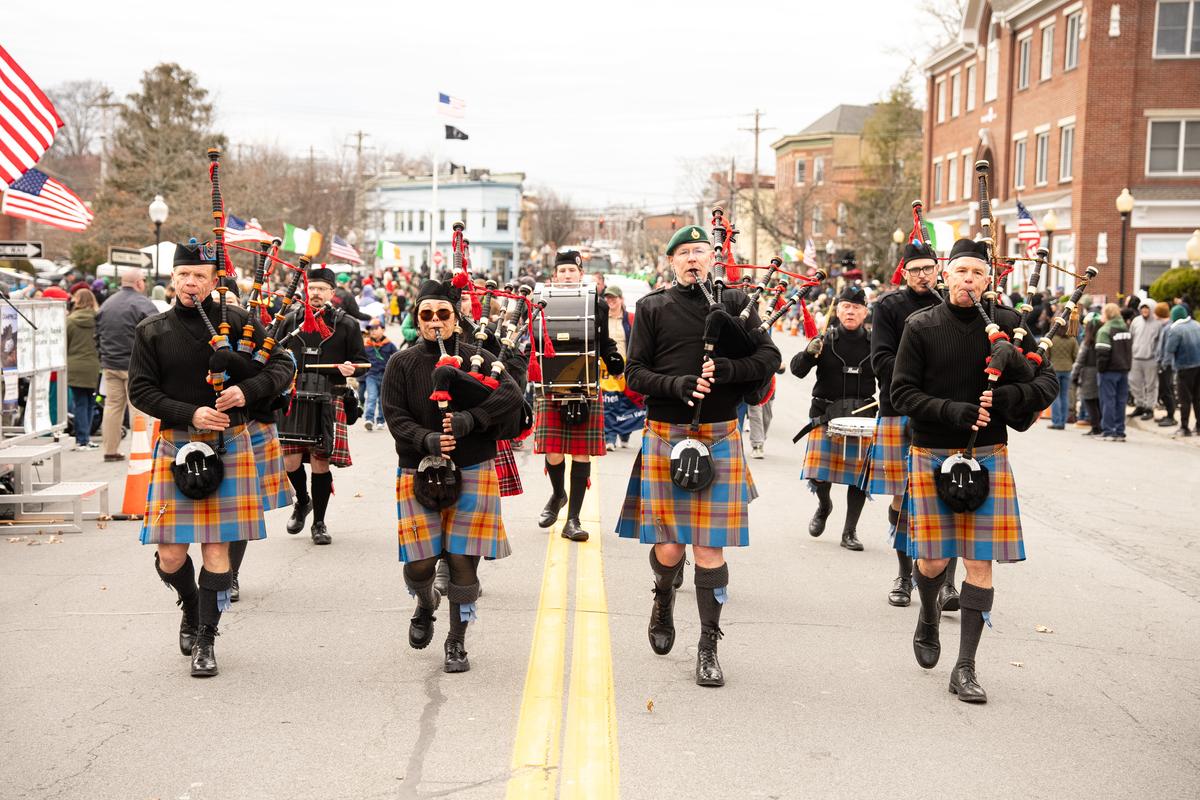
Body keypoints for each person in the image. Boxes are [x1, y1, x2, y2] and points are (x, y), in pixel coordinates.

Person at [891, 238, 1057, 703]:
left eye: (978, 273)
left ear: (989, 280)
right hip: (932, 452)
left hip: (988, 454)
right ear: (946, 275)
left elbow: (1046, 381)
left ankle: (965, 667)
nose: (968, 280)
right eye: (961, 271)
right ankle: (927, 612)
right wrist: (953, 412)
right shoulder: (920, 326)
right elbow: (901, 393)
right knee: (933, 561)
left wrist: (1009, 398)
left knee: (979, 562)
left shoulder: (1010, 326)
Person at [616, 224, 781, 687]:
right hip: (667, 431)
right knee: (669, 548)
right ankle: (664, 596)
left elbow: (768, 358)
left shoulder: (735, 305)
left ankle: (708, 645)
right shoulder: (651, 307)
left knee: (709, 549)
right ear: (671, 262)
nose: (693, 259)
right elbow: (634, 372)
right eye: (684, 253)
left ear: (714, 258)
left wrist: (728, 370)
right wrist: (678, 384)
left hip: (720, 431)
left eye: (700, 252)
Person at [128, 241, 294, 677]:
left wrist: (248, 390)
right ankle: (189, 604)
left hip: (229, 442)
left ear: (214, 282)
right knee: (170, 554)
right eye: (183, 275)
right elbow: (140, 391)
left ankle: (206, 638)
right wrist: (189, 411)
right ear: (172, 280)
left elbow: (282, 367)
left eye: (199, 276)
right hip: (177, 443)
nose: (190, 283)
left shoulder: (238, 321)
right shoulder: (152, 330)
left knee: (217, 549)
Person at [381, 278, 524, 673]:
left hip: (474, 465)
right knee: (421, 564)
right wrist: (427, 439)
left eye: (443, 314)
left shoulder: (479, 358)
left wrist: (470, 419)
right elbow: (395, 416)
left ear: (456, 320)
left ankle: (456, 641)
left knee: (463, 562)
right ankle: (426, 603)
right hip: (419, 468)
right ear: (417, 320)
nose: (435, 322)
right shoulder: (401, 363)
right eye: (426, 315)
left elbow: (511, 396)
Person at [865, 241, 944, 607]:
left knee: (949, 498)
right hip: (900, 408)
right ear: (904, 272)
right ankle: (904, 574)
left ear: (938, 269)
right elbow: (880, 358)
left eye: (928, 268)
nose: (923, 275)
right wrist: (918, 382)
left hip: (943, 411)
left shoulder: (949, 304)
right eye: (916, 270)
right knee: (903, 496)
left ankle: (946, 582)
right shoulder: (888, 307)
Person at [533, 250, 624, 542]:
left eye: (572, 270)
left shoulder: (595, 302)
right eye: (562, 271)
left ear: (581, 274)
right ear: (555, 275)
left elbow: (604, 339)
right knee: (553, 450)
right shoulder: (542, 301)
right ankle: (558, 494)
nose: (567, 275)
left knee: (581, 452)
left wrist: (612, 358)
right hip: (552, 383)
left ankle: (573, 519)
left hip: (585, 384)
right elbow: (533, 338)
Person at [281, 266, 368, 544]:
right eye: (312, 288)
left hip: (330, 397)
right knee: (290, 461)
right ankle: (302, 501)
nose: (316, 293)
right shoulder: (290, 320)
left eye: (321, 289)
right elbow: (275, 353)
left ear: (332, 292)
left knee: (320, 461)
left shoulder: (347, 324)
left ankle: (319, 523)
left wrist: (350, 369)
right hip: (294, 396)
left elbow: (361, 364)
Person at [792, 285, 875, 552]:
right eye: (846, 307)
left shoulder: (876, 344)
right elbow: (797, 371)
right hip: (824, 416)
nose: (851, 312)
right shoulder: (824, 340)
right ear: (838, 310)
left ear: (865, 312)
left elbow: (892, 378)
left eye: (856, 308)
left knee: (859, 479)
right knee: (818, 475)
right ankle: (824, 504)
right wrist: (807, 353)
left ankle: (850, 531)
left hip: (863, 418)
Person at [94, 268, 158, 462]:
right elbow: (157, 334)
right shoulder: (143, 304)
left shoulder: (107, 304)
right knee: (138, 407)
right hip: (135, 365)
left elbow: (97, 335)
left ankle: (110, 450)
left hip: (110, 363)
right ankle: (140, 450)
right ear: (139, 282)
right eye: (144, 281)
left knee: (112, 407)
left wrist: (103, 357)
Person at [600, 285, 644, 451]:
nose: (610, 301)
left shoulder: (630, 319)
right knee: (609, 402)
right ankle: (609, 437)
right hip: (605, 367)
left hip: (626, 365)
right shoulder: (601, 317)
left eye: (614, 298)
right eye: (608, 298)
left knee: (626, 401)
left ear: (621, 300)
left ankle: (624, 434)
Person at [66, 288, 101, 450]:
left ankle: (82, 439)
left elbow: (65, 343)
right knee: (90, 403)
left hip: (75, 366)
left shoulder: (70, 320)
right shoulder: (99, 320)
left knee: (79, 403)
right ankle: (86, 437)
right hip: (94, 366)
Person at [1096, 303, 1133, 442]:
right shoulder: (1125, 328)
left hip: (1109, 371)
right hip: (1124, 369)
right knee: (1121, 401)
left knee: (1108, 401)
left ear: (1108, 314)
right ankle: (1119, 431)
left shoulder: (1105, 330)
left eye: (1103, 312)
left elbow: (1102, 353)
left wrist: (1101, 370)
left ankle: (1108, 431)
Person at [1162, 304, 1200, 437]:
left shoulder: (1176, 330)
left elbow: (1169, 350)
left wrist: (1164, 365)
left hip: (1184, 368)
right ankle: (1199, 426)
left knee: (1185, 399)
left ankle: (1184, 427)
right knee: (1197, 397)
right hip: (1198, 365)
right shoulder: (1197, 325)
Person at [1128, 299, 1166, 421]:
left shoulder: (1158, 323)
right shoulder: (1136, 321)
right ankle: (1140, 405)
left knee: (1151, 385)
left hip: (1151, 359)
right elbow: (1131, 337)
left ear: (1152, 309)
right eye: (1143, 308)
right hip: (1135, 358)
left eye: (1147, 308)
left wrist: (1158, 358)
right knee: (1134, 382)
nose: (1145, 310)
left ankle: (1149, 408)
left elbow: (1161, 342)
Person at [1072, 316, 1103, 437]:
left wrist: (1074, 375)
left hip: (1088, 374)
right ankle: (1100, 426)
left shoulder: (1086, 343)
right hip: (1100, 372)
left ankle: (1095, 427)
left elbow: (1079, 361)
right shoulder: (1101, 341)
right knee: (1098, 402)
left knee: (1090, 402)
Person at [363, 318, 396, 430]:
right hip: (371, 375)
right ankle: (369, 419)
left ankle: (381, 420)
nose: (373, 331)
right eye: (370, 329)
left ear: (383, 329)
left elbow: (397, 358)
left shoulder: (389, 344)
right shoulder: (366, 344)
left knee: (383, 399)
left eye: (376, 328)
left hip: (385, 376)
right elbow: (360, 358)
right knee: (371, 397)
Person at [1047, 324, 1079, 429]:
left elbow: (1046, 355)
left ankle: (1056, 421)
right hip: (1067, 369)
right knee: (1064, 395)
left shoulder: (1051, 338)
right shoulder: (1072, 340)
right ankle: (1063, 422)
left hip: (1054, 369)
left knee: (1055, 396)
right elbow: (1076, 355)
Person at [1155, 302, 1178, 427]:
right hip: (1164, 363)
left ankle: (1171, 416)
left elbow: (1168, 350)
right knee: (1164, 390)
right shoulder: (1164, 326)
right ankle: (1169, 414)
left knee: (1166, 390)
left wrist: (1163, 364)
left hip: (1166, 365)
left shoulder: (1168, 328)